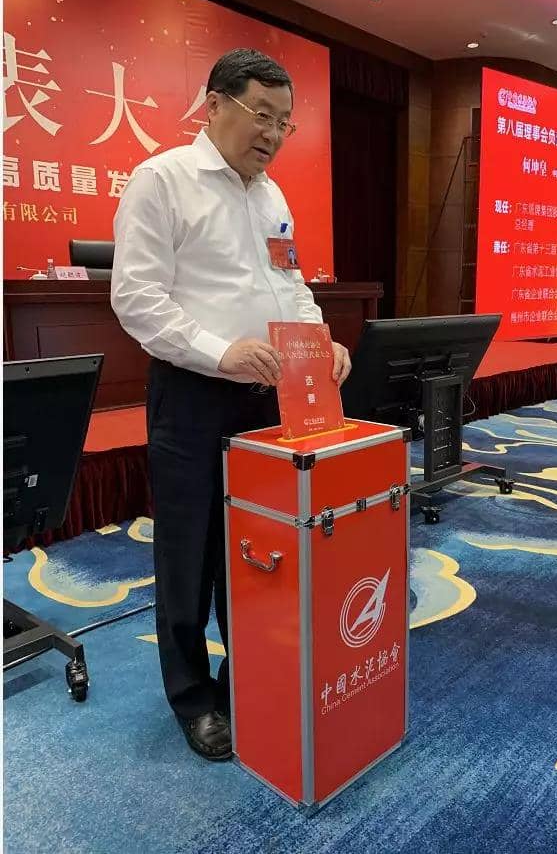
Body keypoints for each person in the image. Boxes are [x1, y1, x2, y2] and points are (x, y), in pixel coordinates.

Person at [111, 49, 351, 761]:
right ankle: (193, 696)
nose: (273, 135)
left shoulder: (272, 197)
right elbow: (137, 298)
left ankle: (246, 675)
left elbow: (290, 286)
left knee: (259, 549)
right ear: (214, 104)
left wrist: (319, 342)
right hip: (192, 396)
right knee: (189, 552)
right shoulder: (162, 181)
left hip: (267, 399)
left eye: (284, 122)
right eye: (261, 115)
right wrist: (220, 352)